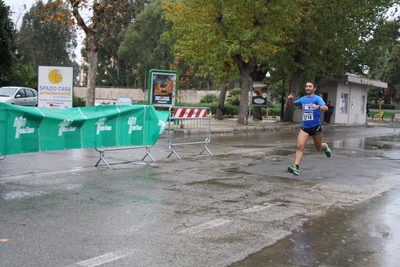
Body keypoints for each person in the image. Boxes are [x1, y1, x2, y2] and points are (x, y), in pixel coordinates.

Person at [287, 81, 332, 176]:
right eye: (306, 86)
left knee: (319, 147)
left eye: (310, 86)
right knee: (299, 146)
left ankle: (325, 146)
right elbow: (292, 105)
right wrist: (291, 99)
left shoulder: (317, 98)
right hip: (305, 127)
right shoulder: (303, 99)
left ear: (314, 88)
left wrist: (318, 106)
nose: (307, 88)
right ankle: (296, 166)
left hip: (315, 127)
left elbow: (326, 108)